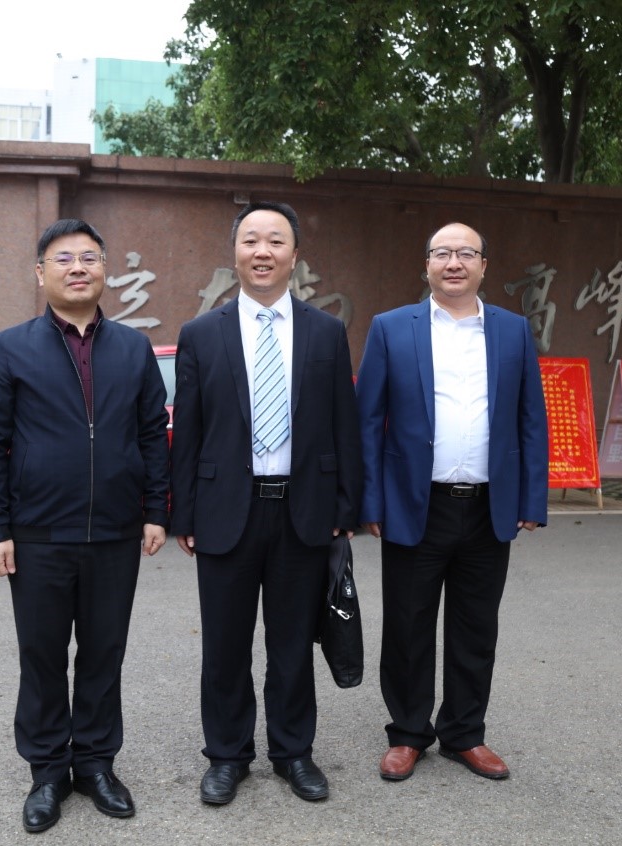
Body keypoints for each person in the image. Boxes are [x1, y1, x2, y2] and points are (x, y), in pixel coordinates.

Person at [0, 219, 170, 833]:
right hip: (37, 534)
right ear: (41, 274)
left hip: (114, 532)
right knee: (43, 656)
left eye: (88, 257)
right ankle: (48, 771)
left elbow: (151, 434)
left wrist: (155, 510)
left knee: (105, 653)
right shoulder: (10, 347)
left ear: (104, 270)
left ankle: (97, 765)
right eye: (63, 259)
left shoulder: (132, 348)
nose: (77, 267)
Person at [170, 201, 362, 806]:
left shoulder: (325, 332)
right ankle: (227, 756)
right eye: (251, 239)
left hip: (303, 511)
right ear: (235, 253)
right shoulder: (202, 334)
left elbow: (344, 424)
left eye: (275, 241)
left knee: (292, 644)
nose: (262, 251)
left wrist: (346, 508)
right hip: (226, 510)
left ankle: (293, 753)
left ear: (294, 255)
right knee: (224, 647)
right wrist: (184, 513)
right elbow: (188, 431)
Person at [357, 221, 548, 783]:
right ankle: (408, 733)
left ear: (484, 265)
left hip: (489, 505)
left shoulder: (512, 330)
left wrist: (532, 497)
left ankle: (465, 732)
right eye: (442, 253)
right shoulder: (392, 328)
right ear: (427, 265)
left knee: (476, 627)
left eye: (467, 253)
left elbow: (530, 419)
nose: (454, 263)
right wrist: (369, 501)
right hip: (414, 503)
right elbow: (367, 421)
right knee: (407, 625)